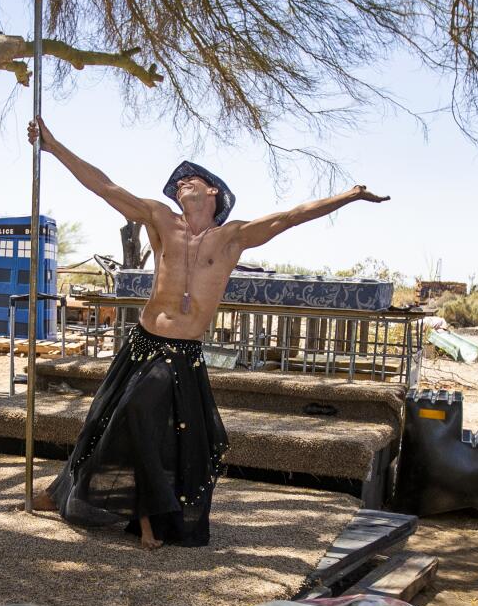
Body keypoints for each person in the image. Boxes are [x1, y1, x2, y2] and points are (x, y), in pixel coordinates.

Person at [26, 118, 390, 549]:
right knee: (103, 418)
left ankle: (146, 518)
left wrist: (348, 196)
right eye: (177, 184)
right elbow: (105, 187)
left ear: (213, 191)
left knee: (147, 420)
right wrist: (54, 145)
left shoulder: (231, 238)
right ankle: (62, 494)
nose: (180, 186)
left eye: (190, 180)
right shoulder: (161, 220)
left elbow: (292, 217)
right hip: (144, 342)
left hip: (181, 353)